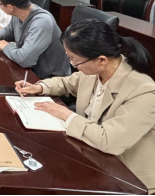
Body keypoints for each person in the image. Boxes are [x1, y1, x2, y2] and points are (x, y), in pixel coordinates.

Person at [16, 19, 155, 195]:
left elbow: (109, 141)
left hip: (126, 176)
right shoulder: (95, 70)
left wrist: (66, 115)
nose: (72, 65)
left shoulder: (143, 91)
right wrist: (40, 87)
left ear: (102, 60)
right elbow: (68, 83)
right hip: (92, 154)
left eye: (74, 59)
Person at [0, 0, 71, 79]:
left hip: (50, 78)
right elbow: (9, 30)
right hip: (31, 71)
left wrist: (5, 46)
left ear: (10, 7)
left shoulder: (41, 22)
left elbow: (25, 60)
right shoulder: (19, 12)